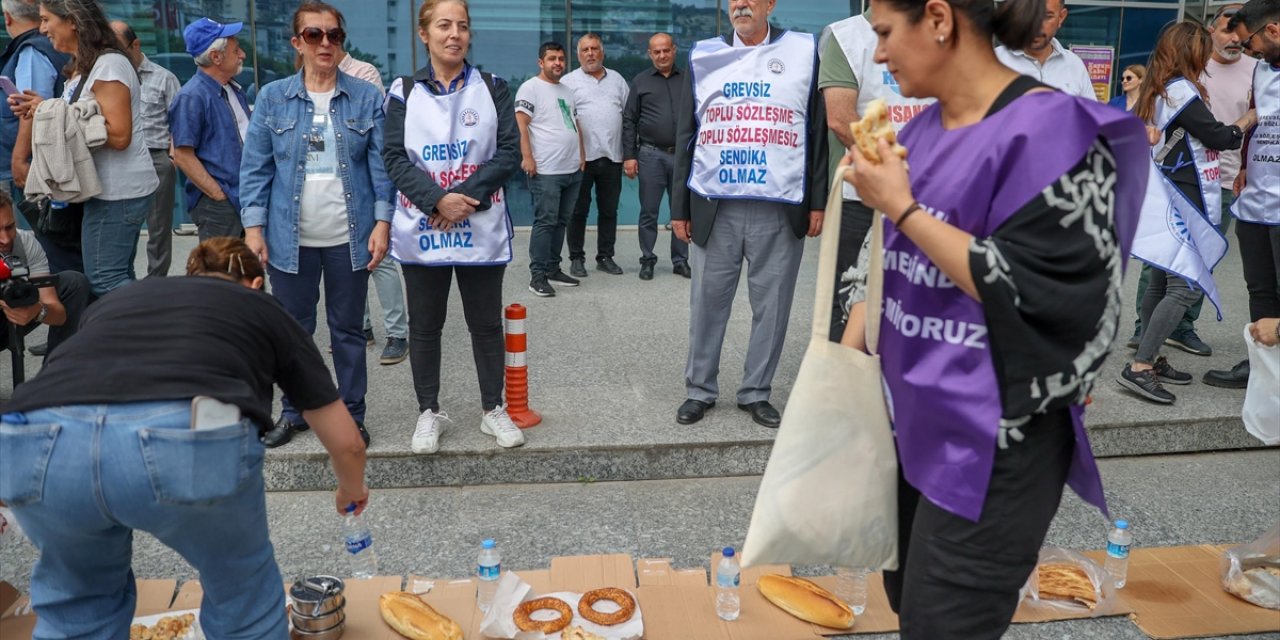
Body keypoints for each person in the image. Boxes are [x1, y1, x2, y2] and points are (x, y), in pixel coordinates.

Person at [835, 0, 1150, 633]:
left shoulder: (1056, 133)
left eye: (886, 34)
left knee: (942, 622)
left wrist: (903, 209)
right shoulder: (919, 131)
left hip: (995, 445)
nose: (878, 55)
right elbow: (902, 276)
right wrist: (848, 369)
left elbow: (1051, 293)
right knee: (910, 603)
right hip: (913, 428)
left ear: (939, 19)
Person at [0, 237, 369, 639]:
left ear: (191, 275)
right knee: (242, 599)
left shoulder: (122, 299)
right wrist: (350, 490)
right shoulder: (260, 305)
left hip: (38, 437)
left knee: (78, 607)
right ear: (255, 283)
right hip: (180, 436)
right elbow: (346, 441)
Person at [241, 0, 392, 448]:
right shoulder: (272, 97)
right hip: (290, 240)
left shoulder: (366, 97)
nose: (326, 43)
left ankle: (350, 415)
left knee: (348, 332)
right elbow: (255, 169)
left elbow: (381, 170)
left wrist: (382, 223)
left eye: (334, 35)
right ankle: (295, 412)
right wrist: (254, 229)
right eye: (314, 35)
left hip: (350, 237)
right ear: (297, 42)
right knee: (293, 334)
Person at [672, 0, 828, 429]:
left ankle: (756, 392)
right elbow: (688, 133)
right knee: (706, 304)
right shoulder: (704, 55)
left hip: (780, 206)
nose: (740, 4)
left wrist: (818, 201)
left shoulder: (803, 51)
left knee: (773, 306)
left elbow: (816, 132)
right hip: (714, 205)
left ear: (770, 4)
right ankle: (699, 390)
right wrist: (678, 208)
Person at [383, 0, 525, 453]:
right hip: (423, 226)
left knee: (485, 324)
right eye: (444, 25)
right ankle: (428, 411)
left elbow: (507, 152)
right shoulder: (403, 91)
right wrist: (436, 200)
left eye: (462, 26)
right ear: (424, 34)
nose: (454, 34)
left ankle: (492, 408)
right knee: (426, 326)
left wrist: (463, 199)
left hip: (477, 226)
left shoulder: (494, 87)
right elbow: (393, 158)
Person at [1121, 21, 1253, 404]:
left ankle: (1152, 356)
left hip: (1169, 198)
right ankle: (1141, 366)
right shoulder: (1180, 91)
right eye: (1201, 48)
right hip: (1186, 200)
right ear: (1189, 53)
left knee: (1163, 282)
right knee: (1184, 286)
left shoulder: (1158, 88)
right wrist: (1251, 116)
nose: (1207, 55)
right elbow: (1221, 137)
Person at [8, 0, 159, 297]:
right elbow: (81, 121)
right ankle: (131, 339)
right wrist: (42, 112)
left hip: (118, 192)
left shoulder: (108, 65)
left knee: (105, 279)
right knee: (118, 274)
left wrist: (49, 111)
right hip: (107, 191)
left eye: (46, 19)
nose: (42, 28)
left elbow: (118, 136)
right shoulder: (86, 67)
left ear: (72, 21)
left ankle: (158, 328)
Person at [819, 11, 933, 341]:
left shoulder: (937, 29)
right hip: (862, 199)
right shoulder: (846, 36)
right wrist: (894, 171)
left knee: (915, 299)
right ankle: (844, 381)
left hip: (929, 195)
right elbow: (841, 119)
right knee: (848, 300)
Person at [1207, 0, 1280, 388]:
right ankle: (1262, 368)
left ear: (1272, 30)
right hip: (1256, 200)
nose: (1246, 51)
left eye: (1248, 42)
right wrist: (1249, 165)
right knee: (1261, 289)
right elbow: (1260, 120)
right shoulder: (1264, 71)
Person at [336, 48, 410, 366]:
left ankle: (398, 334)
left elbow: (371, 130)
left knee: (380, 260)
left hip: (365, 184)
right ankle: (361, 328)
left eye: (328, 34)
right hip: (330, 189)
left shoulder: (364, 73)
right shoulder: (304, 80)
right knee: (345, 261)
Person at [1, 0, 69, 274]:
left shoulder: (31, 50)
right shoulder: (48, 47)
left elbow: (31, 111)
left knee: (35, 249)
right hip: (40, 163)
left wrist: (19, 159)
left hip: (27, 167)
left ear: (7, 18)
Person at [168, 17, 250, 241]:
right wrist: (218, 195)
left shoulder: (233, 89)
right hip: (220, 206)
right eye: (236, 49)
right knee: (221, 273)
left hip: (242, 200)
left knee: (246, 272)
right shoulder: (191, 97)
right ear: (216, 57)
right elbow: (182, 155)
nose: (242, 54)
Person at [110, 20, 181, 278]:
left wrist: (173, 156)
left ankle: (155, 283)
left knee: (159, 228)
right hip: (121, 158)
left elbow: (180, 122)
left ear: (136, 44)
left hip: (155, 157)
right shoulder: (110, 78)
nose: (114, 56)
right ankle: (123, 280)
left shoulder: (164, 78)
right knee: (122, 224)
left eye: (118, 49)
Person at [518, 41, 585, 297]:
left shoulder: (567, 90)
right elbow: (522, 125)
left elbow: (574, 124)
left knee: (561, 221)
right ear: (541, 62)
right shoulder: (530, 88)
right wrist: (527, 157)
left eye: (560, 58)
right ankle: (537, 276)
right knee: (545, 221)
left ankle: (553, 269)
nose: (557, 63)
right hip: (546, 169)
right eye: (551, 59)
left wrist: (581, 155)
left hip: (571, 168)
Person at [622, 32, 690, 280]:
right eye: (656, 51)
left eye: (666, 50)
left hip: (682, 157)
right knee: (648, 211)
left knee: (680, 210)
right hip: (650, 155)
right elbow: (629, 120)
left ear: (674, 50)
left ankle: (680, 260)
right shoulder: (640, 81)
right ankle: (647, 259)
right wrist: (629, 156)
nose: (662, 55)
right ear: (650, 54)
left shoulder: (689, 80)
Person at [562, 33, 628, 278]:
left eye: (595, 49)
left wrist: (630, 153)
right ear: (578, 55)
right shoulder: (568, 82)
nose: (590, 53)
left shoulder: (618, 80)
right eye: (585, 50)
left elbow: (628, 117)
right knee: (578, 211)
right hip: (581, 160)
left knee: (609, 210)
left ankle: (605, 256)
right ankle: (576, 258)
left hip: (612, 157)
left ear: (603, 52)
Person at [0, 189, 88, 365]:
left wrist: (37, 311)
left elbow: (59, 314)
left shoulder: (25, 242)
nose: (5, 238)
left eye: (9, 227)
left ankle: (55, 376)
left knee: (74, 282)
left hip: (15, 314)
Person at [994, 0, 1095, 99]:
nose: (1036, 27)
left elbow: (1090, 113)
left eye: (1047, 16)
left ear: (1061, 17)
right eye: (1029, 15)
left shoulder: (1074, 65)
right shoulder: (994, 61)